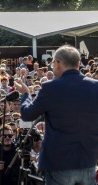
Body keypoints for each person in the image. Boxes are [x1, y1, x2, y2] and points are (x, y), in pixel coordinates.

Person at [14, 45, 98, 185]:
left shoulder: (50, 87)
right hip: (88, 160)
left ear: (58, 63)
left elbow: (28, 114)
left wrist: (25, 95)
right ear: (78, 64)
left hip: (59, 163)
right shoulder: (95, 87)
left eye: (53, 63)